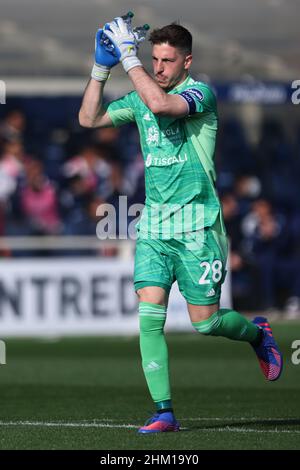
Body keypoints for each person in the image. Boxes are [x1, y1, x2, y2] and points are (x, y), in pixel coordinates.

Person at [79, 15, 283, 434]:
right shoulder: (141, 95)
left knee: (205, 322)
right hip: (154, 228)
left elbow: (159, 104)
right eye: (154, 59)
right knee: (148, 317)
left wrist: (128, 57)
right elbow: (89, 120)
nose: (158, 68)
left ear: (186, 62)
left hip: (199, 228)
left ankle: (256, 333)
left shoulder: (199, 95)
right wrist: (101, 69)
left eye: (167, 61)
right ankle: (164, 412)